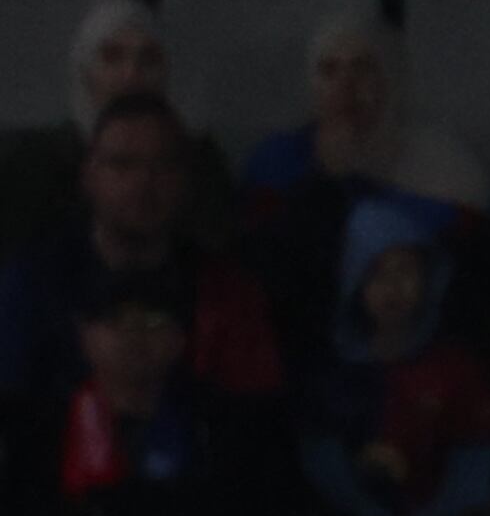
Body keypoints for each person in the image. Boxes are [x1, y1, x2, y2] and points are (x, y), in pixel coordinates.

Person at [6, 262, 271, 516]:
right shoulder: (43, 429)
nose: (134, 336)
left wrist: (112, 514)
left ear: (179, 338)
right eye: (116, 321)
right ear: (87, 336)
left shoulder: (212, 425)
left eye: (153, 320)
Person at [0, 94, 281, 419]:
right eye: (122, 165)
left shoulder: (226, 292)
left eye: (162, 166)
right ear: (89, 175)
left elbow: (260, 425)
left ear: (184, 179)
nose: (142, 184)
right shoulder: (32, 284)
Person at [237, 10, 489, 366]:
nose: (345, 85)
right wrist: (325, 183)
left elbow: (474, 264)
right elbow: (262, 270)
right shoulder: (277, 160)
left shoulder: (443, 160)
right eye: (329, 70)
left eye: (362, 67)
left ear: (391, 75)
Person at [295, 193, 490, 516]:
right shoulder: (331, 374)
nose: (392, 287)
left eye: (405, 270)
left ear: (429, 276)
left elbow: (476, 460)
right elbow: (321, 462)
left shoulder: (456, 368)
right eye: (376, 272)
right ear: (355, 282)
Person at [0, 0, 232, 263]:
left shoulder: (199, 161)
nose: (131, 73)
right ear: (85, 72)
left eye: (149, 59)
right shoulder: (35, 162)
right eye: (112, 57)